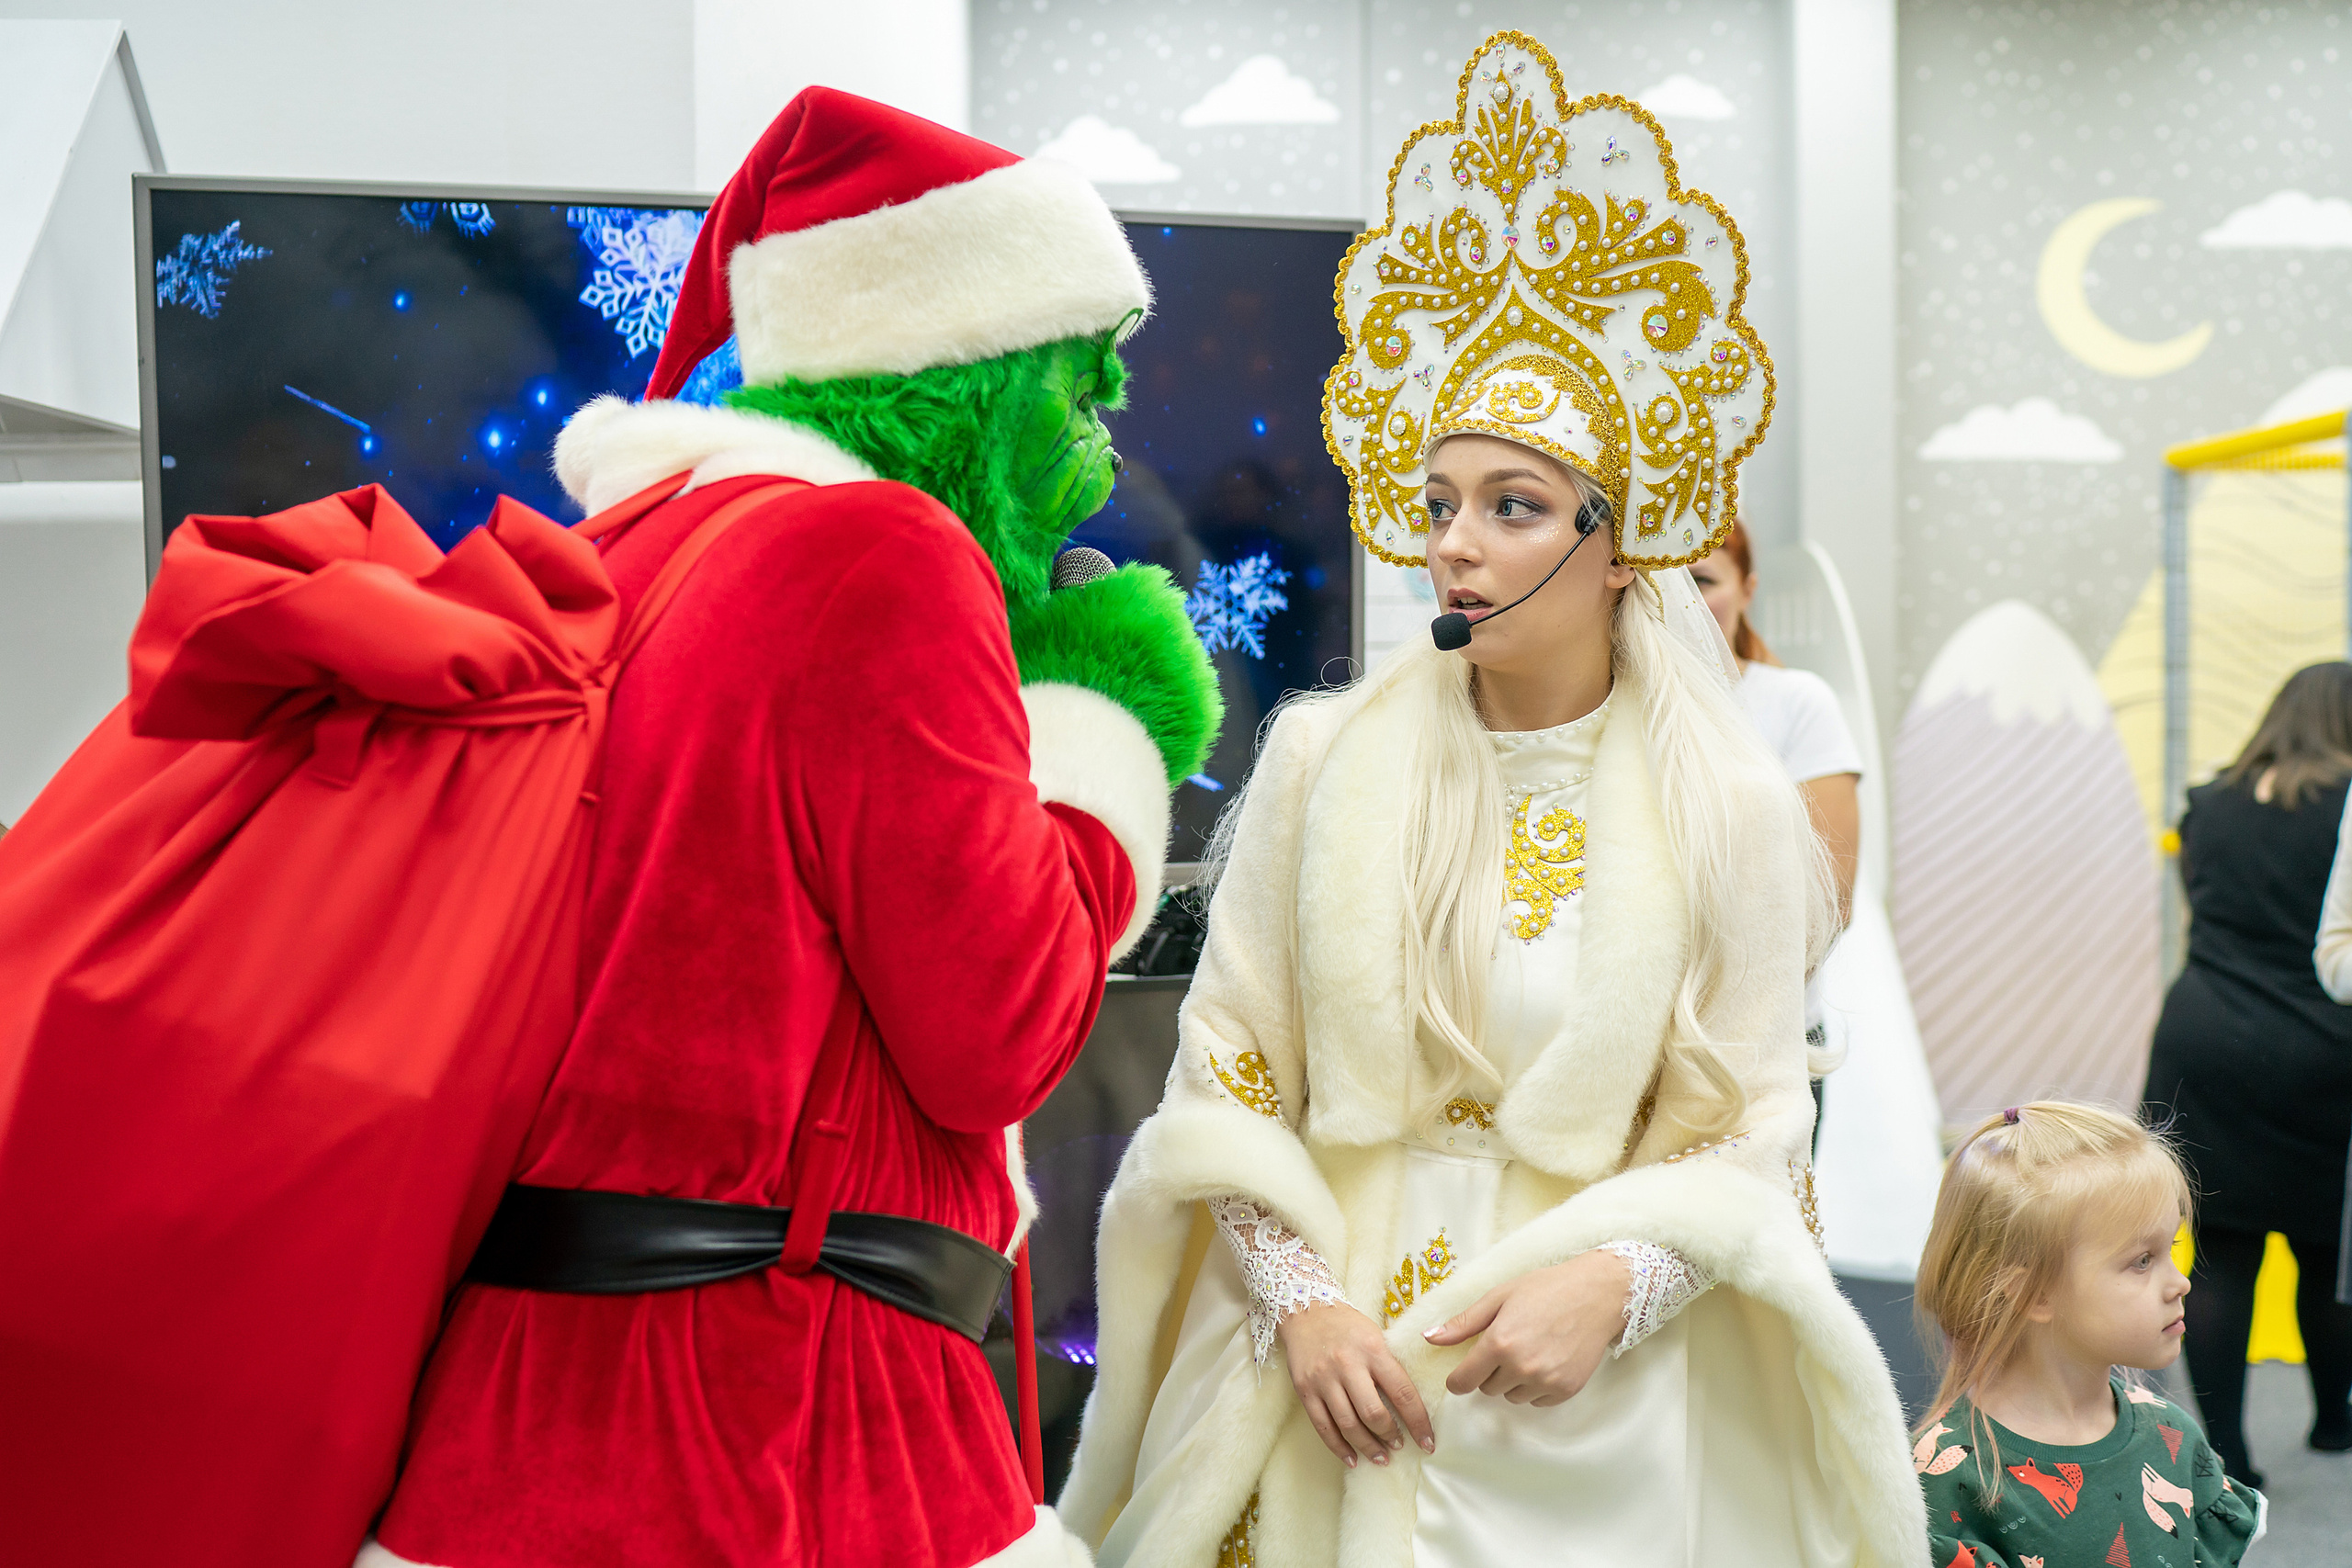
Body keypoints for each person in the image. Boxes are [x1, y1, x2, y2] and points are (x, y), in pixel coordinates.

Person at [1057, 33, 1924, 1567]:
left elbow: (1752, 1125)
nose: (1455, 545)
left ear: (1619, 542)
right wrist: (1306, 1303)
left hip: (1597, 1400)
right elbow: (1233, 1067)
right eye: (1442, 504)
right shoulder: (1326, 763)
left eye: (1513, 506)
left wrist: (1619, 1284)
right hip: (1328, 1375)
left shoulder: (1726, 799)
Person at [367, 90, 1221, 1568]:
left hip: (529, 1410)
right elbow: (999, 1026)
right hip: (780, 1423)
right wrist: (1105, 723)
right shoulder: (880, 554)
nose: (1090, 457)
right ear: (975, 375)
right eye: (1073, 394)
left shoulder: (643, 546)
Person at [2141, 660, 2352, 1482]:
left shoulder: (2207, 804)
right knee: (2325, 1253)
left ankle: (2228, 1456)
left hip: (2205, 1042)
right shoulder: (2345, 807)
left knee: (2220, 1255)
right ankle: (2334, 1419)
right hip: (2321, 1051)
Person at [1912, 1101, 2265, 1568]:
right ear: (2033, 1294)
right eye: (2142, 1260)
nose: (2181, 1282)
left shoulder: (2171, 1434)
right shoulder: (1953, 1475)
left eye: (2172, 1248)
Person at [1687, 518, 1861, 921]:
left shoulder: (1798, 702)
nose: (1681, 602)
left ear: (1748, 591)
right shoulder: (1606, 700)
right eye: (1660, 582)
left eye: (1702, 582)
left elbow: (1829, 902)